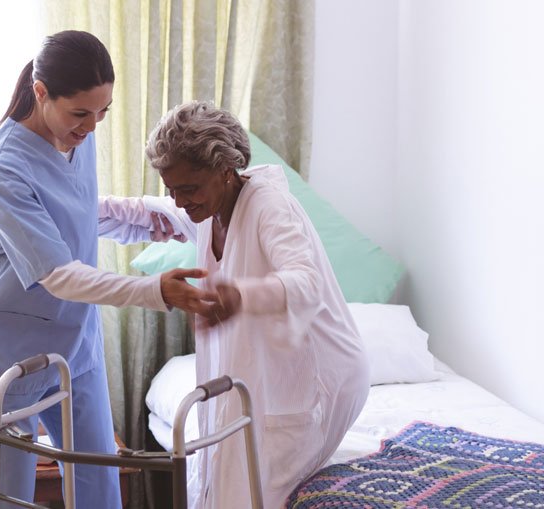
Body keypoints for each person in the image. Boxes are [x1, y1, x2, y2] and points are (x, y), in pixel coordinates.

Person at [0, 31, 213, 509]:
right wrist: (155, 291)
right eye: (80, 113)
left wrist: (143, 216)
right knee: (7, 498)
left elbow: (72, 209)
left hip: (75, 344)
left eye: (102, 112)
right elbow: (58, 273)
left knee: (99, 487)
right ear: (40, 92)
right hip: (5, 350)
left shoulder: (75, 135)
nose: (92, 126)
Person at [97, 101, 371, 508]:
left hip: (324, 377)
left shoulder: (268, 206)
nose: (180, 200)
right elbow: (142, 213)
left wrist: (241, 294)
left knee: (249, 488)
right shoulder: (206, 207)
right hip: (271, 362)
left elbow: (306, 282)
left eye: (188, 189)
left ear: (226, 171)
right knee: (220, 470)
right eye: (172, 189)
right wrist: (70, 208)